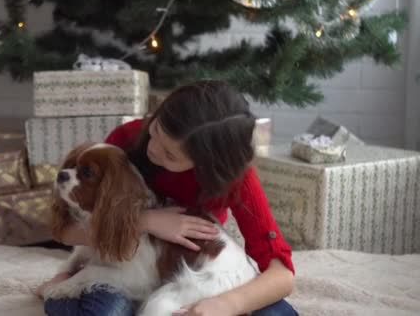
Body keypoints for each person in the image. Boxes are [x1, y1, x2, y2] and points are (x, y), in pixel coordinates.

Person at [36, 81, 298, 316]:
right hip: (124, 269)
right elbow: (67, 231)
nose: (153, 148)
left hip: (190, 275)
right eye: (157, 129)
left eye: (171, 155)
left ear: (207, 166)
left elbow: (282, 276)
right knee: (106, 312)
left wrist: (226, 304)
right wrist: (144, 221)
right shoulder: (127, 139)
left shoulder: (236, 179)